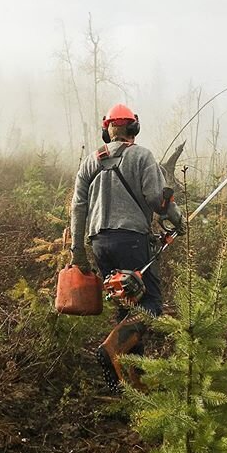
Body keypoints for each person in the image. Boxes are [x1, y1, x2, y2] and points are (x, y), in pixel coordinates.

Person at [70, 103, 185, 392]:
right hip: (132, 241)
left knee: (126, 305)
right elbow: (157, 200)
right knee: (151, 308)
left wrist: (78, 252)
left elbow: (78, 208)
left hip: (100, 245)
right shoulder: (142, 156)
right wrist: (179, 220)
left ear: (107, 130)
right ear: (133, 128)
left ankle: (135, 387)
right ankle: (110, 351)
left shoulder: (90, 162)